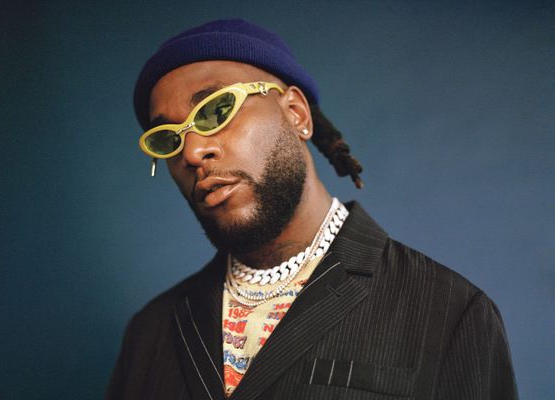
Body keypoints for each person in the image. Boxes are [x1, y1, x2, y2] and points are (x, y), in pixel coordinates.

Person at [106, 19, 517, 400]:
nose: (193, 151)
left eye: (216, 110)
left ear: (296, 114)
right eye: (168, 139)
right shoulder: (150, 332)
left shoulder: (448, 311)